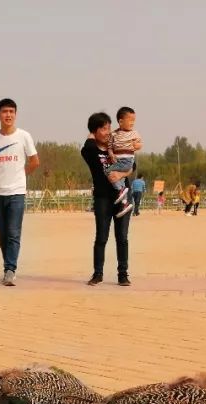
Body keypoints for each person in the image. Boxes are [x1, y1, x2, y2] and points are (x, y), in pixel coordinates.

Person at [0, 98, 39, 287]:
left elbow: (35, 161)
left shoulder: (24, 136)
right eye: (5, 112)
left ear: (16, 114)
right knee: (3, 234)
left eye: (12, 111)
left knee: (13, 233)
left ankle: (10, 269)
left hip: (17, 192)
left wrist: (21, 174)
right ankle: (8, 265)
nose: (8, 115)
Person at [82, 112, 131, 287]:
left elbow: (132, 166)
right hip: (103, 198)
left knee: (122, 237)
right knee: (101, 237)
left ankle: (123, 274)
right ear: (94, 131)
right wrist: (92, 133)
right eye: (103, 128)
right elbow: (87, 146)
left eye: (109, 127)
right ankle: (98, 274)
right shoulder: (91, 151)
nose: (108, 132)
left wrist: (121, 173)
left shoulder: (118, 147)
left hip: (122, 195)